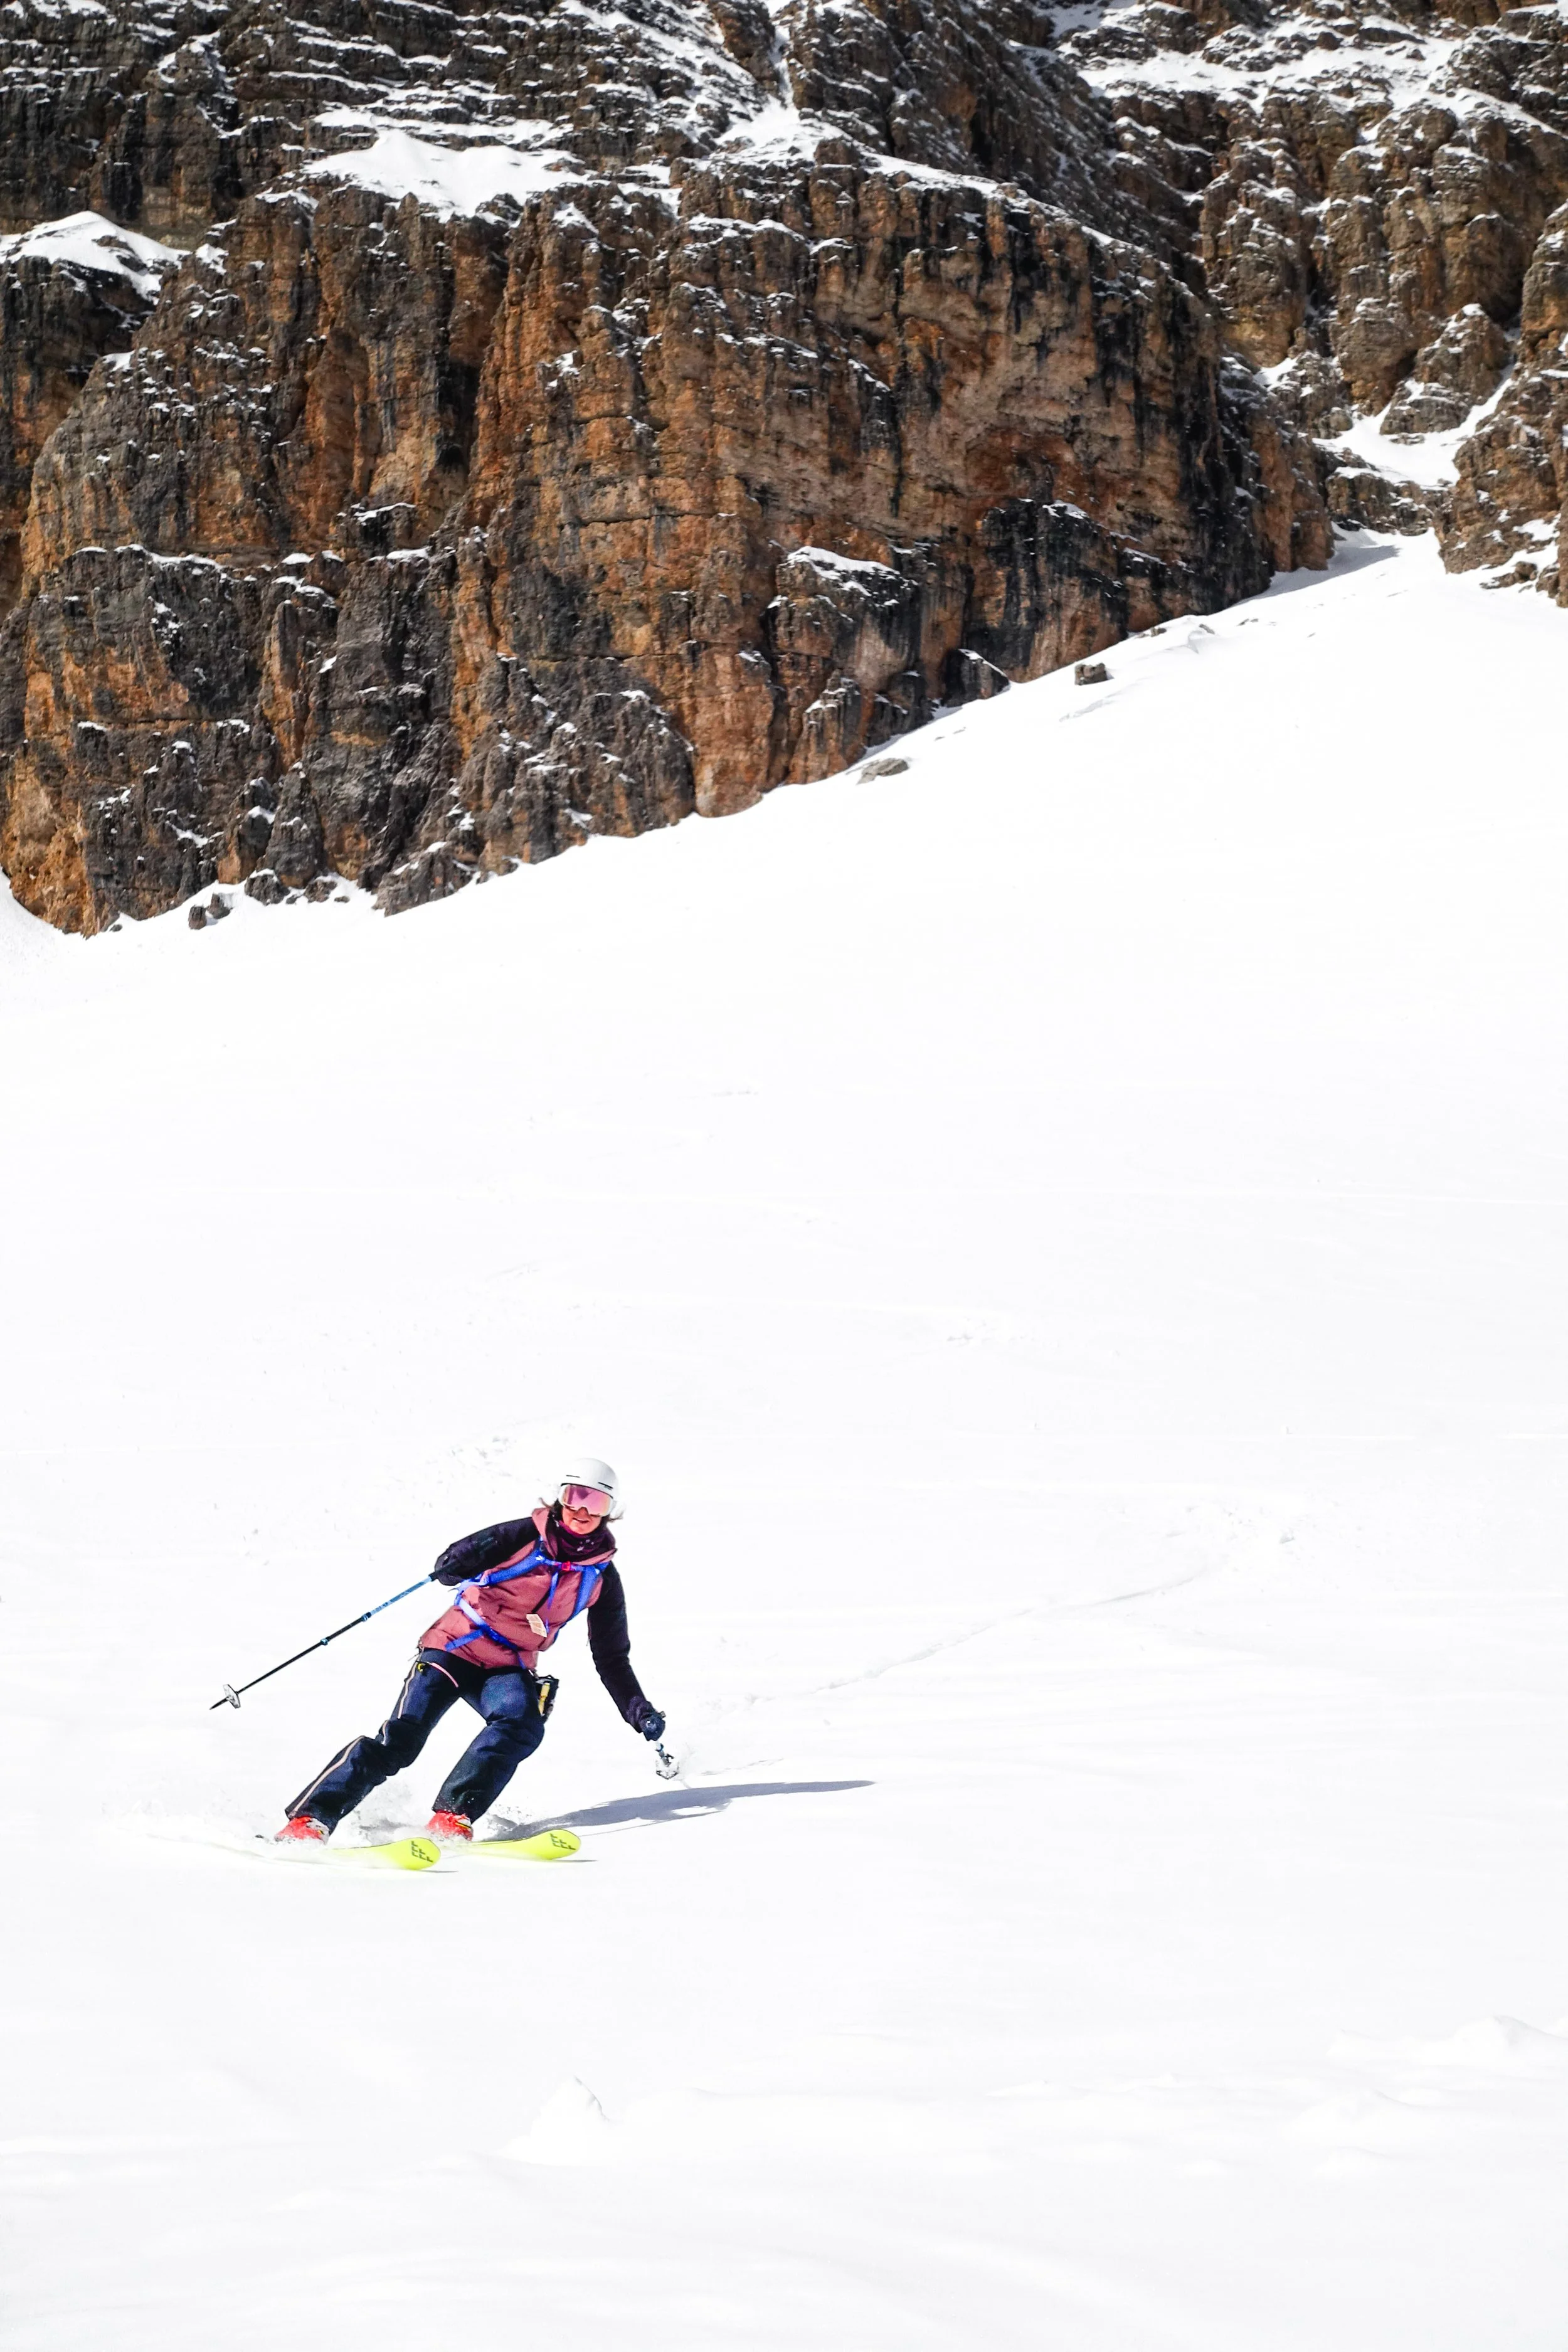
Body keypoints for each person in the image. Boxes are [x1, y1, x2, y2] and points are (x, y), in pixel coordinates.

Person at [276, 1457, 665, 1843]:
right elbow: (448, 1567)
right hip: (453, 1648)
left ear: (609, 1512)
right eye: (575, 1496)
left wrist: (639, 1710)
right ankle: (309, 1819)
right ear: (560, 1498)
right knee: (401, 1739)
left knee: (522, 1724)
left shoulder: (601, 1578)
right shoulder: (520, 1536)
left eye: (595, 1503)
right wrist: (458, 1562)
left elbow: (611, 1656)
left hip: (507, 1665)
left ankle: (453, 1816)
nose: (582, 1510)